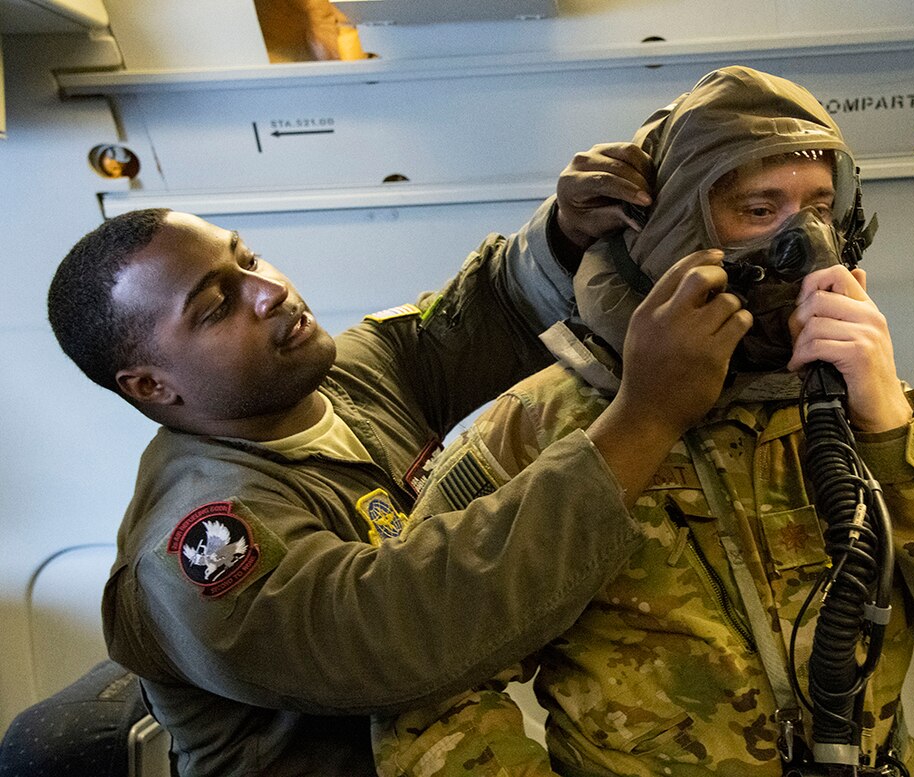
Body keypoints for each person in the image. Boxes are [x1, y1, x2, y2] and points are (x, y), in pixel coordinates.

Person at [371, 66, 914, 777]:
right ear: (677, 233)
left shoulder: (883, 412)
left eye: (820, 209)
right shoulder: (542, 425)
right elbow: (422, 681)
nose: (806, 244)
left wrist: (892, 425)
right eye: (759, 210)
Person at [44, 144, 748, 777]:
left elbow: (483, 317)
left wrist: (568, 232)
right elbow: (406, 628)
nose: (269, 290)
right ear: (151, 385)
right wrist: (647, 415)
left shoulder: (346, 378)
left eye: (247, 258)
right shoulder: (203, 548)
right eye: (216, 305)